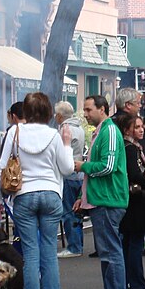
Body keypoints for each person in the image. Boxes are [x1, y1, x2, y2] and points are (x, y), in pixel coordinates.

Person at [0, 92, 74, 289]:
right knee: (49, 253)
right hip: (51, 194)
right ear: (49, 112)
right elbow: (67, 169)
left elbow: (2, 168)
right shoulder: (54, 135)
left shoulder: (15, 132)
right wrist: (67, 145)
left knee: (30, 255)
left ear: (25, 111)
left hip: (24, 195)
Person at [76, 95, 130, 289]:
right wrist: (82, 197)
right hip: (101, 198)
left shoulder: (109, 131)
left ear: (102, 109)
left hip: (109, 199)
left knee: (110, 249)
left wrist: (82, 166)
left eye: (88, 109)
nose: (85, 114)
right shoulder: (101, 131)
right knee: (106, 250)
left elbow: (108, 166)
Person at [114, 113, 145, 289]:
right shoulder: (130, 148)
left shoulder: (129, 147)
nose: (142, 130)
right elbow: (134, 174)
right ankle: (138, 286)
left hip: (130, 200)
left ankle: (125, 283)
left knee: (128, 243)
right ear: (127, 130)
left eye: (142, 126)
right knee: (135, 244)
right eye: (137, 127)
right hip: (136, 201)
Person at [54, 101, 85, 258]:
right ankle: (78, 243)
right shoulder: (79, 128)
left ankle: (74, 246)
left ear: (60, 115)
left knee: (68, 211)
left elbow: (60, 153)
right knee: (77, 211)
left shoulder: (64, 130)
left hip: (68, 174)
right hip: (80, 173)